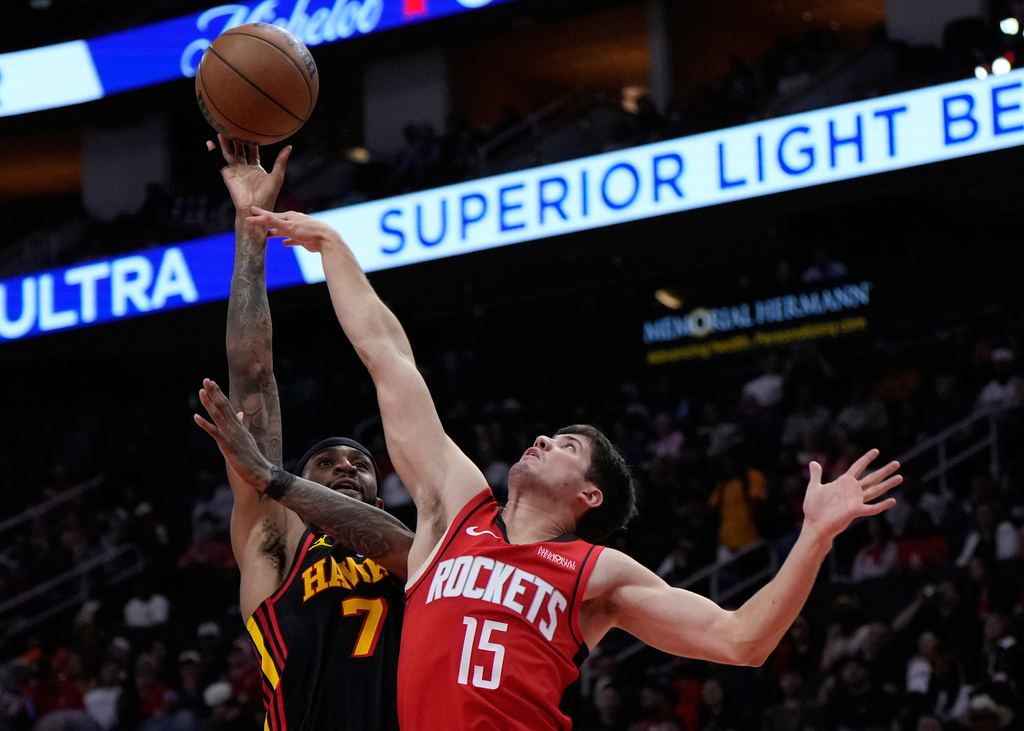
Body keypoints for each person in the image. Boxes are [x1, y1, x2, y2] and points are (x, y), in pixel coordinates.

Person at [201, 205, 902, 731]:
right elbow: (390, 359)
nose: (543, 439)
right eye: (549, 433)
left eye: (567, 443)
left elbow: (743, 640)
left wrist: (813, 537)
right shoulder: (454, 513)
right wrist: (333, 247)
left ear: (589, 493)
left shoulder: (596, 574)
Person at [199, 136, 413, 731]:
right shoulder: (276, 543)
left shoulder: (416, 555)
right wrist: (250, 229)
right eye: (327, 462)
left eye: (360, 463)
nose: (347, 466)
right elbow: (252, 374)